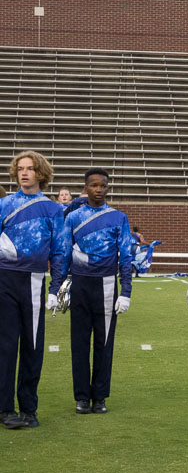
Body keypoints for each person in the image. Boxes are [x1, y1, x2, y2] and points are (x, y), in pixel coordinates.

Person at [1, 151, 69, 429]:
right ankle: (5, 409)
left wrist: (55, 287)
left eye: (30, 169)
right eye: (20, 169)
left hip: (34, 281)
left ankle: (29, 408)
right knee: (5, 346)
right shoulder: (4, 204)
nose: (24, 173)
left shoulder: (53, 209)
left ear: (41, 173)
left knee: (32, 346)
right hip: (4, 278)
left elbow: (60, 251)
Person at [59, 168, 134, 415]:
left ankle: (100, 396)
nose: (98, 190)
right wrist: (57, 286)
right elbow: (64, 254)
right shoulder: (72, 217)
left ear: (107, 188)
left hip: (106, 285)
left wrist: (126, 292)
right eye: (93, 185)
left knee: (104, 343)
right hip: (80, 284)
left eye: (103, 185)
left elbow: (126, 257)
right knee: (79, 344)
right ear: (86, 188)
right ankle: (81, 397)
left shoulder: (118, 218)